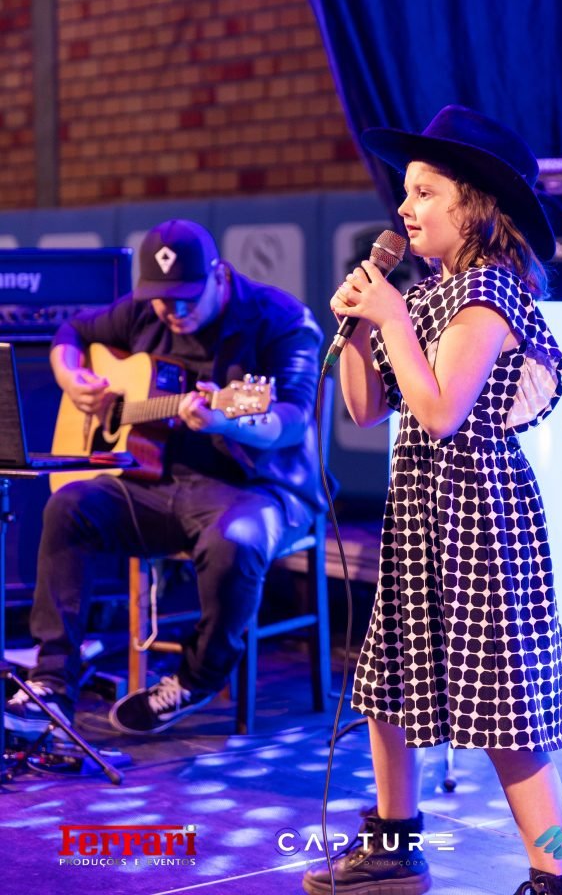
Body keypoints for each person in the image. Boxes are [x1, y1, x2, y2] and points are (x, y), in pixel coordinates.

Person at [302, 107, 562, 895]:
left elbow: (439, 412)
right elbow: (368, 409)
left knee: (505, 715)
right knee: (387, 685)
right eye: (405, 192)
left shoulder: (488, 293)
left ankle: (557, 872)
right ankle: (395, 843)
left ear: (476, 205)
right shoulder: (429, 293)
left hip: (480, 516)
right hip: (420, 511)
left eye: (425, 192)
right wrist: (359, 329)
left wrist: (390, 316)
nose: (405, 207)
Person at [5, 219, 324, 737]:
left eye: (186, 300)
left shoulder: (281, 320)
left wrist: (227, 422)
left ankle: (195, 679)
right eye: (161, 301)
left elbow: (291, 419)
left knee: (237, 540)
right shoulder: (144, 309)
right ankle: (51, 683)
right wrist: (72, 377)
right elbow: (72, 332)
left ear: (218, 276)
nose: (173, 311)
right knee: (68, 507)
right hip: (155, 483)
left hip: (256, 486)